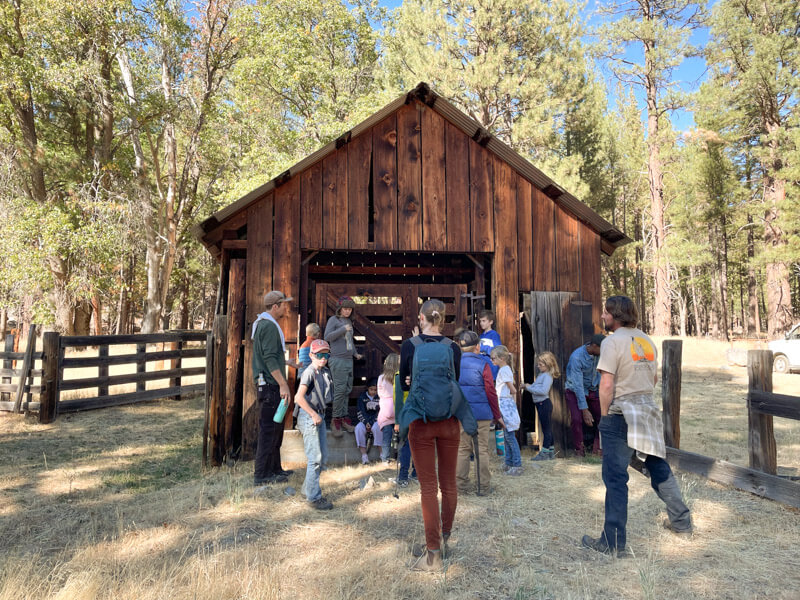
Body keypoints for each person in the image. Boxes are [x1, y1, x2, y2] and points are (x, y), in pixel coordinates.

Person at [582, 296, 692, 556]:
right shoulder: (646, 340)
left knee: (616, 478)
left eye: (606, 313)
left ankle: (612, 543)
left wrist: (606, 416)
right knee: (658, 467)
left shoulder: (611, 343)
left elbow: (607, 384)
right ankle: (682, 522)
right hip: (646, 411)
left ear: (615, 315)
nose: (603, 317)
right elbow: (652, 378)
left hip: (620, 413)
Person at [398, 299, 476, 572]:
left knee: (428, 488)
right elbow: (452, 378)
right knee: (449, 485)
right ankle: (444, 540)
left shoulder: (410, 346)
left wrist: (408, 381)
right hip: (450, 421)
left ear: (421, 317)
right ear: (443, 320)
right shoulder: (453, 347)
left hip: (421, 420)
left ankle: (432, 556)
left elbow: (403, 381)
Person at [251, 290, 295, 486]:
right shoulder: (268, 326)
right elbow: (268, 358)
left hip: (271, 384)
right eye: (284, 304)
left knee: (276, 429)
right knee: (269, 430)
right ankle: (261, 475)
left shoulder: (266, 323)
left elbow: (271, 356)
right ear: (275, 306)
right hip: (270, 386)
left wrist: (288, 363)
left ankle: (275, 469)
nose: (287, 307)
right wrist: (283, 384)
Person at [455, 330, 504, 494]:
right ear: (478, 346)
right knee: (481, 450)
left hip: (462, 413)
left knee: (462, 449)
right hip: (482, 414)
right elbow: (491, 391)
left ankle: (461, 487)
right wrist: (497, 414)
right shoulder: (484, 365)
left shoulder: (455, 364)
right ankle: (483, 487)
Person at [293, 339, 334, 510]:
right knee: (315, 457)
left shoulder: (325, 371)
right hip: (309, 415)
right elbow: (298, 398)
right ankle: (313, 497)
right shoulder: (309, 372)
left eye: (326, 355)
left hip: (320, 415)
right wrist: (313, 414)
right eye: (319, 355)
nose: (323, 358)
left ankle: (307, 489)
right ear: (311, 355)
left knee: (322, 457)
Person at [324, 296, 363, 436]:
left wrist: (355, 353)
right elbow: (327, 337)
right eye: (345, 309)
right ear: (340, 309)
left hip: (348, 360)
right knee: (340, 390)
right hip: (337, 359)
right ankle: (335, 421)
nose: (347, 311)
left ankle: (344, 419)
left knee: (347, 389)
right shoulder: (333, 320)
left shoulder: (348, 321)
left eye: (350, 309)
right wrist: (342, 329)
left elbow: (349, 342)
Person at [565, 334, 605, 456]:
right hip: (574, 390)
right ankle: (579, 450)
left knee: (602, 418)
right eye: (601, 349)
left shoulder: (599, 354)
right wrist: (584, 409)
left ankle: (598, 450)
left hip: (592, 389)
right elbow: (577, 385)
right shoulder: (577, 357)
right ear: (594, 346)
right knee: (577, 419)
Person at [491, 345, 522, 476]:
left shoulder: (504, 370)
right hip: (504, 402)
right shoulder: (505, 369)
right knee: (507, 435)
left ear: (502, 358)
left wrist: (510, 396)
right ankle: (509, 462)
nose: (492, 361)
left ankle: (516, 464)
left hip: (505, 403)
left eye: (493, 358)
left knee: (509, 437)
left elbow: (512, 389)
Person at [525, 351, 560, 461]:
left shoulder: (547, 376)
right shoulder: (542, 375)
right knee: (547, 427)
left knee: (546, 429)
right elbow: (537, 388)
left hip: (543, 403)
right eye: (538, 364)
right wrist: (528, 386)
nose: (538, 366)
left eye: (541, 364)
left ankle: (544, 452)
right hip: (540, 404)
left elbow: (543, 391)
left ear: (548, 364)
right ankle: (550, 451)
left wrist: (528, 388)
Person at [377, 353, 401, 464]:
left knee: (386, 438)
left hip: (386, 410)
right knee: (400, 437)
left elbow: (380, 393)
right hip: (398, 409)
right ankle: (400, 459)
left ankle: (385, 459)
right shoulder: (399, 376)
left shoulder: (381, 378)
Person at [355, 378, 383, 465]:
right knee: (358, 428)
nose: (373, 392)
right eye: (371, 389)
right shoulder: (362, 397)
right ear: (367, 388)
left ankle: (382, 454)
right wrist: (366, 422)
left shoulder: (380, 397)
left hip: (376, 420)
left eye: (375, 390)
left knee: (377, 428)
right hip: (365, 420)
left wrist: (371, 422)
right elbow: (360, 412)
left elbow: (380, 412)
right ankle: (364, 456)